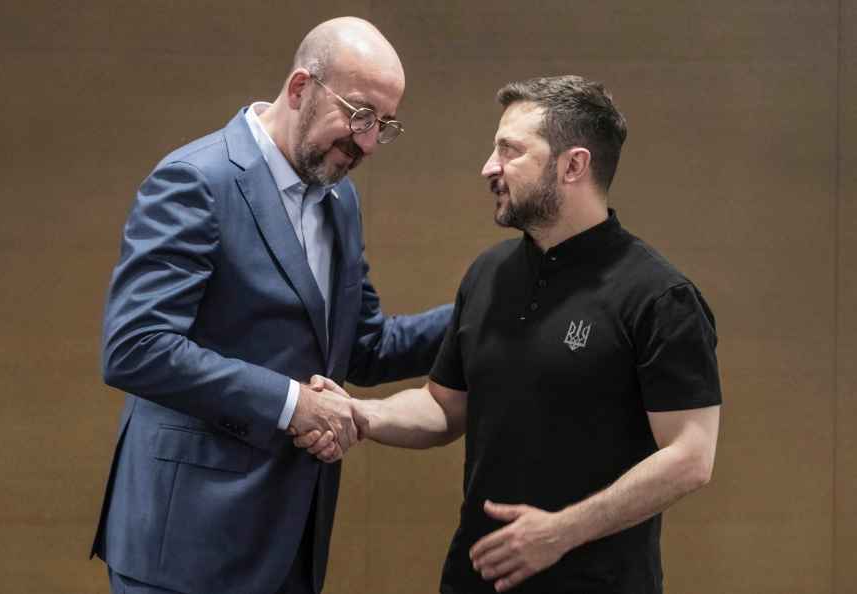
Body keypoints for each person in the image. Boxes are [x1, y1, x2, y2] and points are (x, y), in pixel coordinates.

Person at [298, 75, 722, 593]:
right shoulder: (488, 274)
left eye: (509, 150)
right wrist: (360, 413)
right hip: (474, 579)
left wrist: (561, 532)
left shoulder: (659, 296)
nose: (489, 167)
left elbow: (691, 457)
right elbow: (443, 408)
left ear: (573, 166)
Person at [90, 17, 452, 594]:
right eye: (358, 115)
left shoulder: (340, 200)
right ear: (301, 88)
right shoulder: (195, 180)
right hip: (185, 543)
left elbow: (362, 347)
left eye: (382, 126)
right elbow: (136, 348)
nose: (365, 142)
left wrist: (483, 307)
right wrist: (292, 404)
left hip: (289, 540)